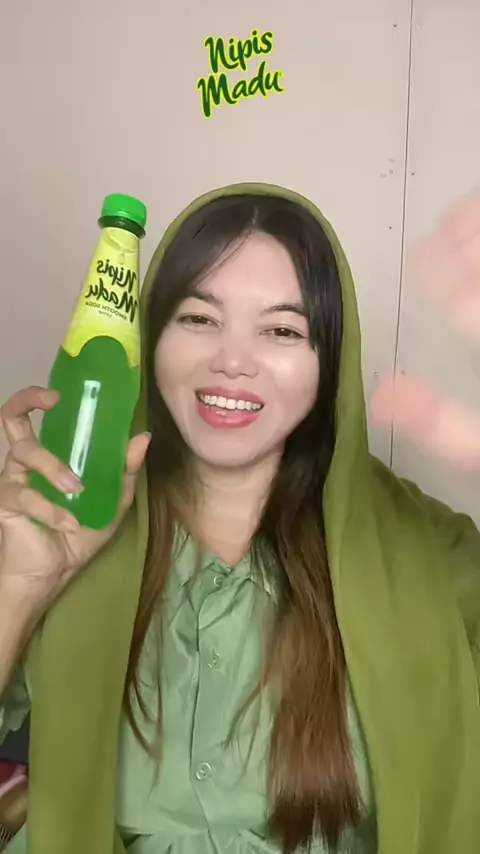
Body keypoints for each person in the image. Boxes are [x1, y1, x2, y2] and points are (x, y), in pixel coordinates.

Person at [0, 182, 479, 854]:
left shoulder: (435, 554)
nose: (231, 361)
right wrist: (20, 585)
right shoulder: (58, 519)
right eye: (199, 319)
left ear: (330, 364)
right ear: (149, 339)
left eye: (282, 330)